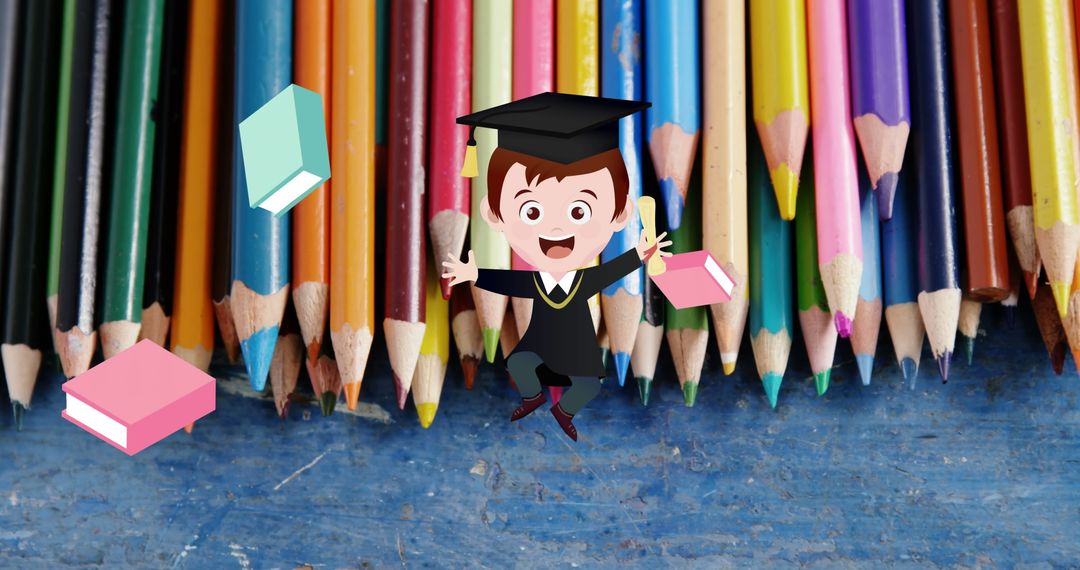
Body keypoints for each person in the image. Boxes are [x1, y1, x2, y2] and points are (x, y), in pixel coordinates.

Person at [442, 93, 671, 441]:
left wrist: (639, 254)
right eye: (530, 212)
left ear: (619, 214)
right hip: (540, 340)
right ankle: (534, 396)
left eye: (579, 211)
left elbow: (609, 273)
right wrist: (475, 275)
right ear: (494, 214)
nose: (556, 230)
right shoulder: (537, 280)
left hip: (577, 346)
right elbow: (510, 283)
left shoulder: (583, 279)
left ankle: (563, 411)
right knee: (520, 362)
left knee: (587, 385)